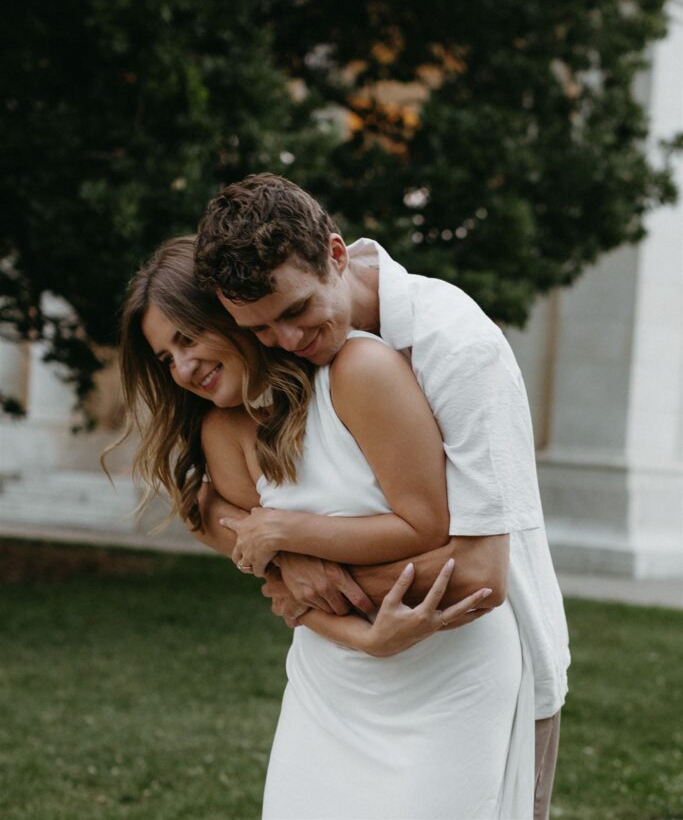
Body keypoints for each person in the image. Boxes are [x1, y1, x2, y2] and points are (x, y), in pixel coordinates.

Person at [113, 235, 534, 819]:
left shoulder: (365, 368)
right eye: (165, 359)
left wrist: (286, 536)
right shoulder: (223, 432)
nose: (182, 368)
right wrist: (349, 626)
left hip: (446, 677)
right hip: (331, 683)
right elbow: (286, 589)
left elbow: (434, 535)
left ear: (232, 315)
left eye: (187, 338)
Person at [194, 173, 570, 820]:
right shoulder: (292, 348)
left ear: (336, 255)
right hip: (335, 683)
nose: (285, 341)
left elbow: (479, 573)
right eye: (258, 329)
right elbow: (210, 486)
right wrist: (284, 555)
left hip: (468, 664)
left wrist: (306, 571)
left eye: (294, 312)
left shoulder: (459, 348)